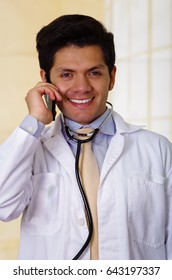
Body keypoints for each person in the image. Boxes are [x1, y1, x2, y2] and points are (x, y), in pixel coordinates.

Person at [0, 14, 172, 260]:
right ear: (45, 79)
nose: (82, 87)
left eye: (94, 73)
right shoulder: (32, 149)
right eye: (67, 74)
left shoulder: (158, 150)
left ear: (112, 77)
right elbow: (3, 205)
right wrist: (34, 121)